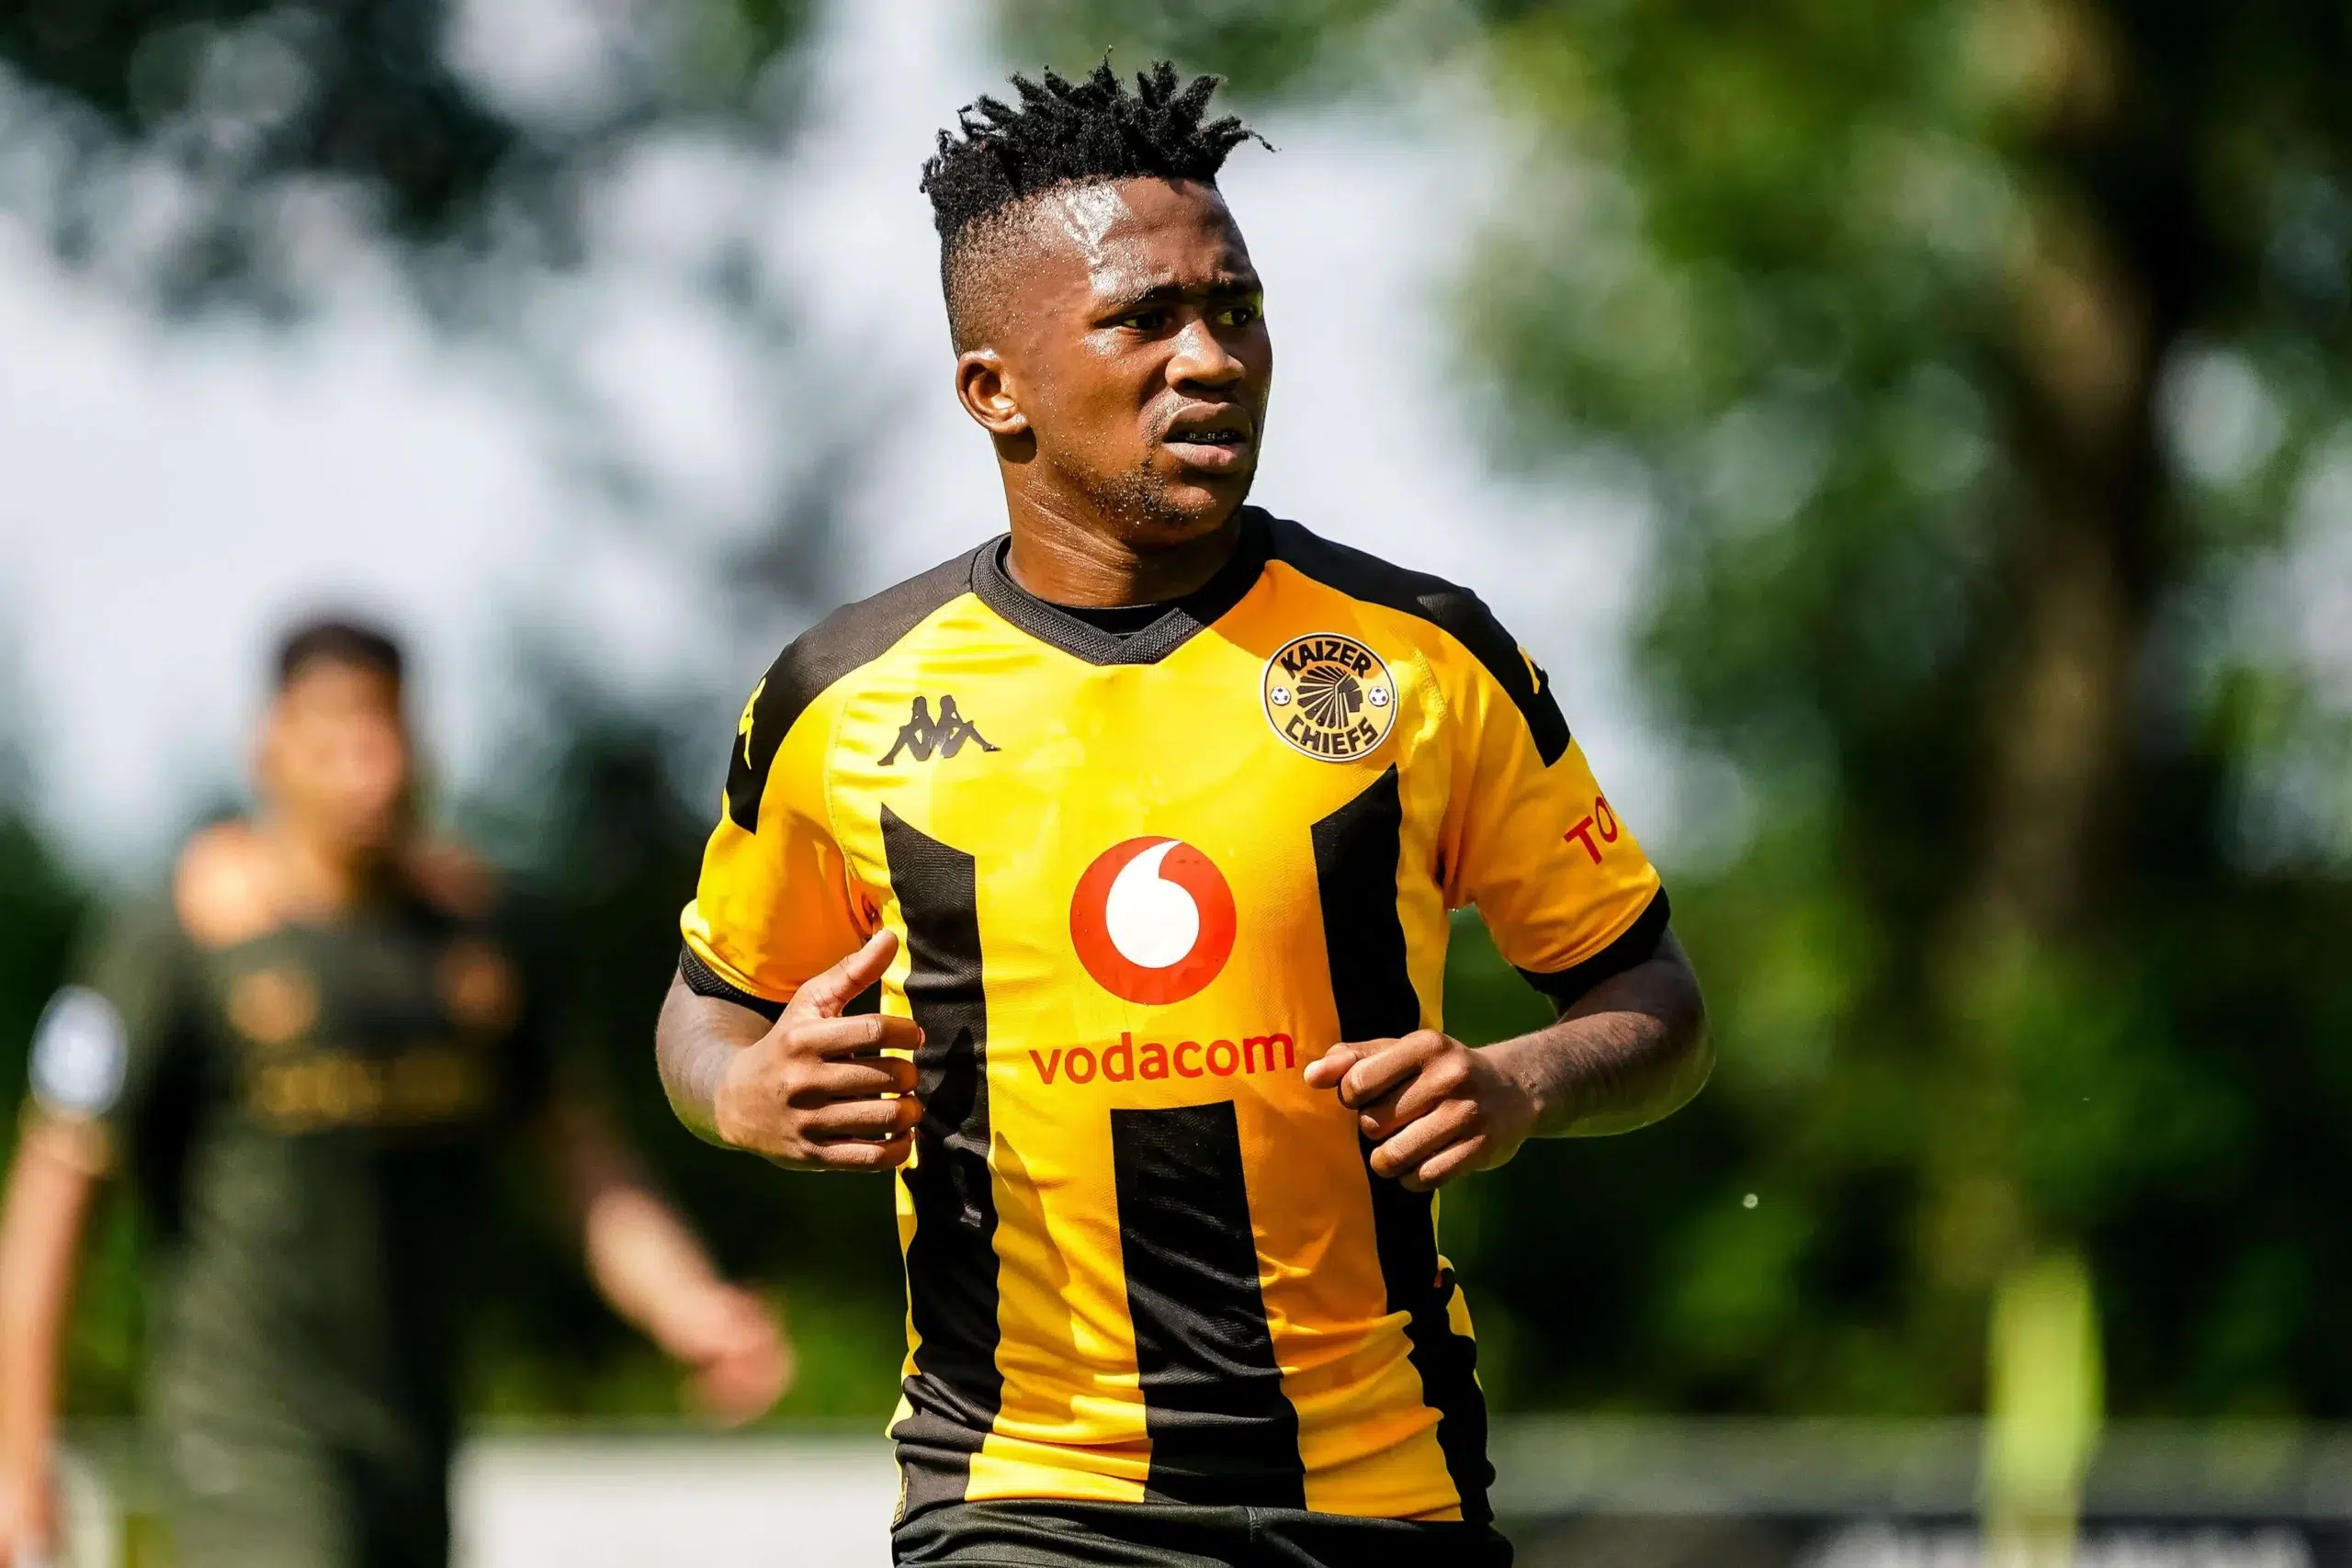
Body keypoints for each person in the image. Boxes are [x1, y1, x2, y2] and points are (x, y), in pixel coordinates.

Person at [656, 62, 1712, 1568]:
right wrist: (745, 1093)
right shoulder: (843, 696)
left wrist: (1522, 1081)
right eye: (1143, 319)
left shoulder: (1423, 657)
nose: (1210, 359)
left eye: (1236, 308)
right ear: (992, 389)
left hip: (1385, 1488)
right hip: (1020, 1494)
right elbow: (705, 1012)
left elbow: (1651, 993)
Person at [0, 619, 792, 1568]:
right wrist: (17, 1456)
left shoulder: (483, 944)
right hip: (245, 1452)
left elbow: (580, 1158)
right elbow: (56, 1189)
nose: (365, 767)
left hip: (419, 1445)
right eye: (332, 739)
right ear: (270, 750)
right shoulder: (177, 940)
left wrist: (687, 1304)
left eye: (385, 732)